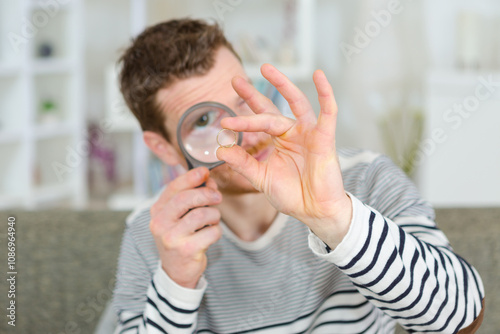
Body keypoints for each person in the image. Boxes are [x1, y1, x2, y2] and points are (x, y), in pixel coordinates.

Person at [112, 19, 485, 333]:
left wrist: (335, 219)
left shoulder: (367, 179)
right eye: (204, 120)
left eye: (243, 98)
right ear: (162, 147)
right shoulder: (152, 233)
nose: (248, 133)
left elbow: (463, 319)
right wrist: (176, 284)